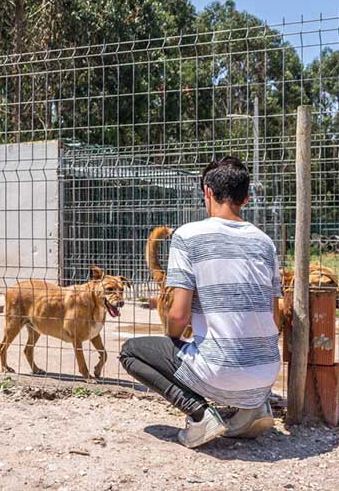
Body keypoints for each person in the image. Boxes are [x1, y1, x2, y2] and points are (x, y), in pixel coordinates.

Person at [119, 156, 281, 448]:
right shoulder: (265, 243)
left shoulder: (188, 236)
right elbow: (275, 319)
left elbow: (179, 317)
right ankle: (253, 407)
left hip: (220, 373)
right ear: (246, 198)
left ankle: (200, 415)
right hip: (267, 373)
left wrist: (173, 344)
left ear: (207, 192)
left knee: (131, 352)